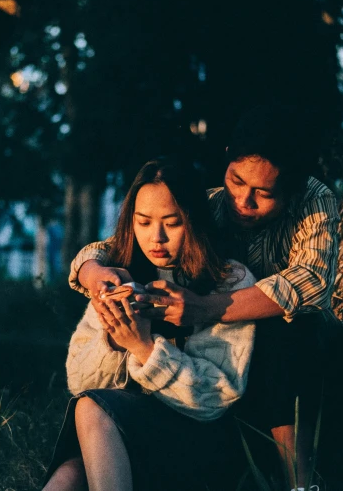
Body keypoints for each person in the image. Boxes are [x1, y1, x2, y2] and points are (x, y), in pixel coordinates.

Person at [70, 107, 343, 491]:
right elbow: (121, 243)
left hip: (306, 356)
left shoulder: (314, 200)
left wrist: (205, 308)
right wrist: (90, 271)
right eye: (236, 181)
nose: (243, 201)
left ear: (291, 188)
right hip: (237, 374)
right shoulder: (212, 205)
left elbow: (311, 282)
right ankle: (298, 484)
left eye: (263, 193)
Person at [43, 157, 258, 491]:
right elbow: (79, 380)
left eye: (172, 223)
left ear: (194, 220)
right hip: (126, 431)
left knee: (91, 410)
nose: (156, 237)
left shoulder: (227, 280)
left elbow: (216, 398)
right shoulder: (121, 273)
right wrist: (113, 342)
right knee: (68, 475)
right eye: (143, 222)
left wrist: (143, 348)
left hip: (203, 444)